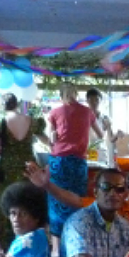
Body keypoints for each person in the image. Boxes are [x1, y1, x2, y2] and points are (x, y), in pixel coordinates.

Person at [47, 82, 103, 237]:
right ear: (76, 94)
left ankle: (57, 245)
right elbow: (101, 135)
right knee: (77, 200)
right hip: (78, 162)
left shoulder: (55, 112)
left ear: (61, 96)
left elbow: (51, 138)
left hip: (59, 161)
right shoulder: (87, 112)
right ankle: (77, 236)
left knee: (56, 199)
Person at [0, 92, 42, 246]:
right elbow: (47, 140)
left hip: (9, 167)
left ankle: (9, 243)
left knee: (9, 204)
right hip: (29, 167)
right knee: (28, 202)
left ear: (3, 105)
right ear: (17, 104)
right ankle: (31, 240)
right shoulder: (31, 121)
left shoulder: (1, 122)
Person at [0, 181, 51, 257]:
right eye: (13, 213)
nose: (16, 219)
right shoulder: (40, 235)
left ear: (36, 217)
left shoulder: (26, 241)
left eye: (23, 214)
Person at [85, 88, 116, 167]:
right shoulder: (83, 118)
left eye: (96, 100)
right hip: (87, 153)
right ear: (87, 101)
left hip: (102, 154)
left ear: (100, 101)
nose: (94, 103)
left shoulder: (105, 118)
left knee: (102, 177)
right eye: (91, 100)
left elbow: (111, 138)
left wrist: (117, 134)